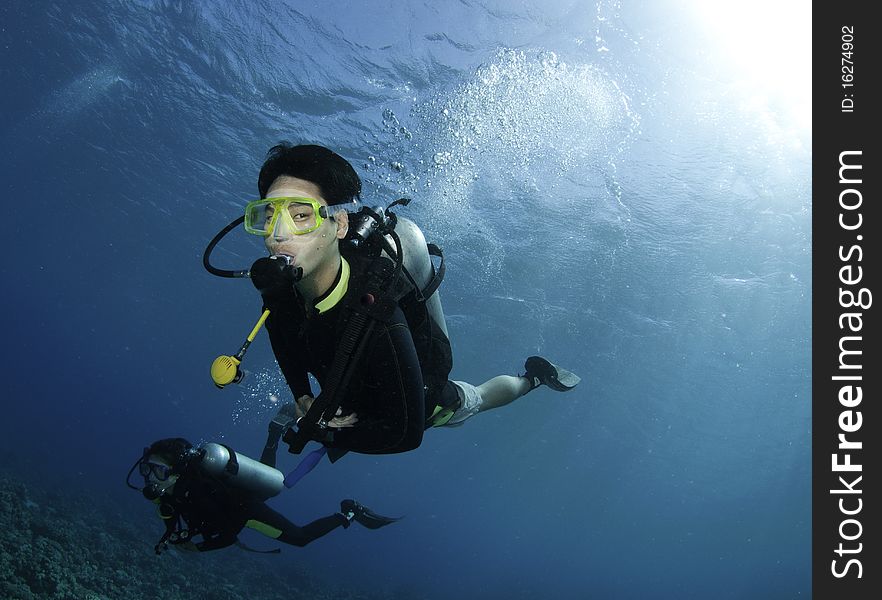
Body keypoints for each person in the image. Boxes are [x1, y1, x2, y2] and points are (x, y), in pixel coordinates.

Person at [229, 143, 580, 459]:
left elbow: (406, 436)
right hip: (351, 389)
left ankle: (532, 378)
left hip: (421, 397)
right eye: (268, 216)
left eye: (301, 215)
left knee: (473, 400)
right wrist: (303, 395)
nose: (278, 234)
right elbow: (282, 334)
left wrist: (324, 435)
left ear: (338, 224)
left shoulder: (376, 311)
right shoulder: (282, 290)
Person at [127, 437, 397, 555]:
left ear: (175, 471)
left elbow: (229, 534)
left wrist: (197, 548)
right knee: (269, 479)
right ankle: (274, 435)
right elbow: (173, 517)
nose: (150, 477)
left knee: (300, 539)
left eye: (158, 471)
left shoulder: (197, 493)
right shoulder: (171, 491)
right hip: (237, 495)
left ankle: (348, 512)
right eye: (146, 469)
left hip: (245, 509)